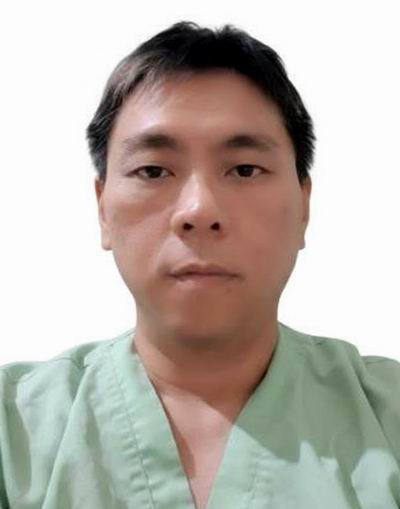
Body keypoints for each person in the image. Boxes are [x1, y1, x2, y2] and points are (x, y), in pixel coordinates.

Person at [1, 20, 399, 509]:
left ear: (304, 206)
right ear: (103, 209)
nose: (199, 210)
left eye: (245, 169)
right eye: (153, 170)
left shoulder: (389, 419)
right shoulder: (13, 433)